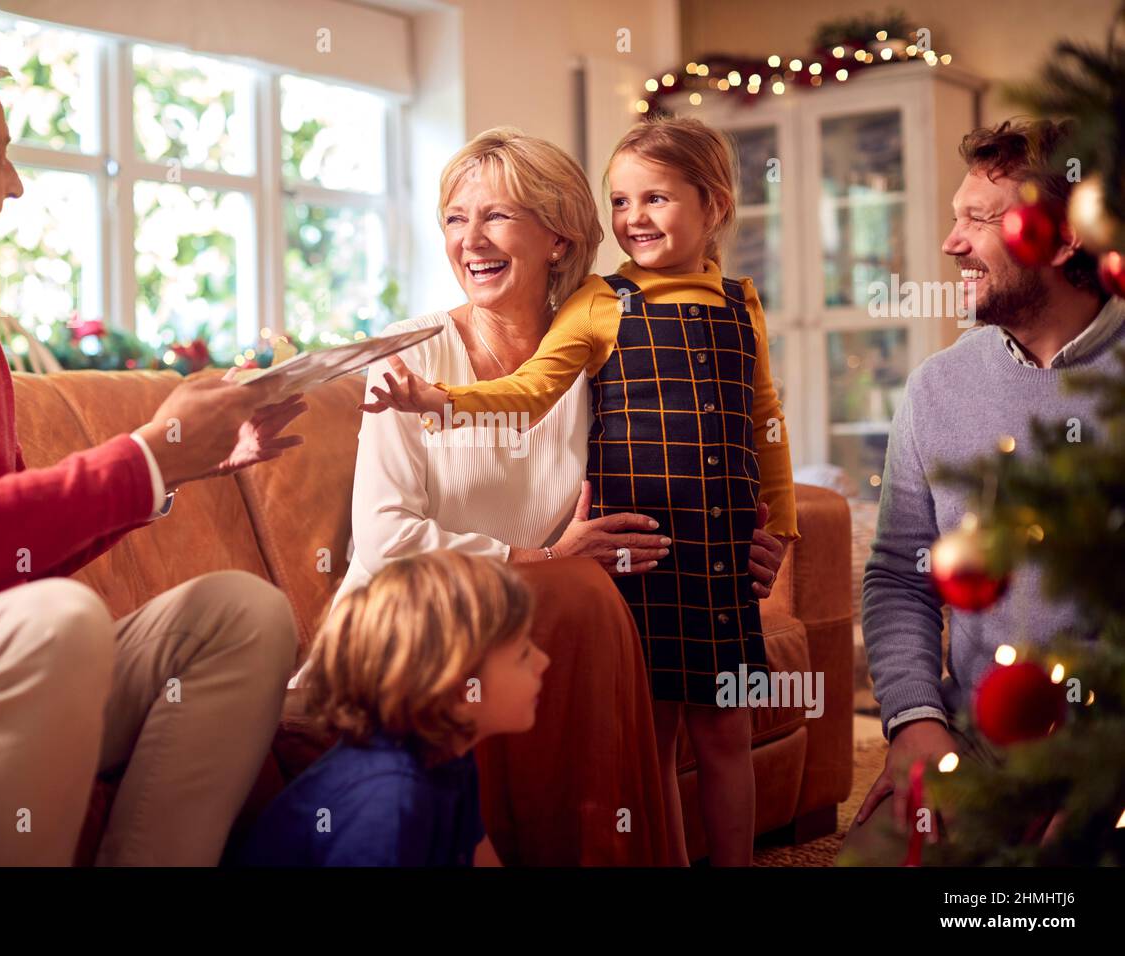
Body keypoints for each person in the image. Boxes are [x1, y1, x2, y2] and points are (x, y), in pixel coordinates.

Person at [0, 35, 307, 866]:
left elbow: (13, 558)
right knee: (55, 625)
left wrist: (177, 467)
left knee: (244, 615)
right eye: (1, 157)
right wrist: (150, 450)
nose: (13, 185)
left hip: (0, 655)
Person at [363, 115, 799, 867]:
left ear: (559, 236)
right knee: (601, 633)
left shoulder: (609, 351)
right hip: (432, 615)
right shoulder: (413, 361)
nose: (471, 240)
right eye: (455, 219)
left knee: (650, 669)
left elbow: (734, 429)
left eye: (497, 216)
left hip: (585, 604)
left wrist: (766, 532)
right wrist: (540, 555)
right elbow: (384, 543)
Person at [841, 119, 1124, 864]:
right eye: (954, 216)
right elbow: (901, 575)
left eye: (979, 219)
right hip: (976, 744)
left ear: (1060, 240)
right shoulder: (939, 385)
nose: (950, 242)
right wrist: (912, 722)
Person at [243, 551, 547, 866]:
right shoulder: (385, 806)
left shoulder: (448, 750)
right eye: (524, 654)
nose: (544, 662)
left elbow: (475, 850)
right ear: (457, 687)